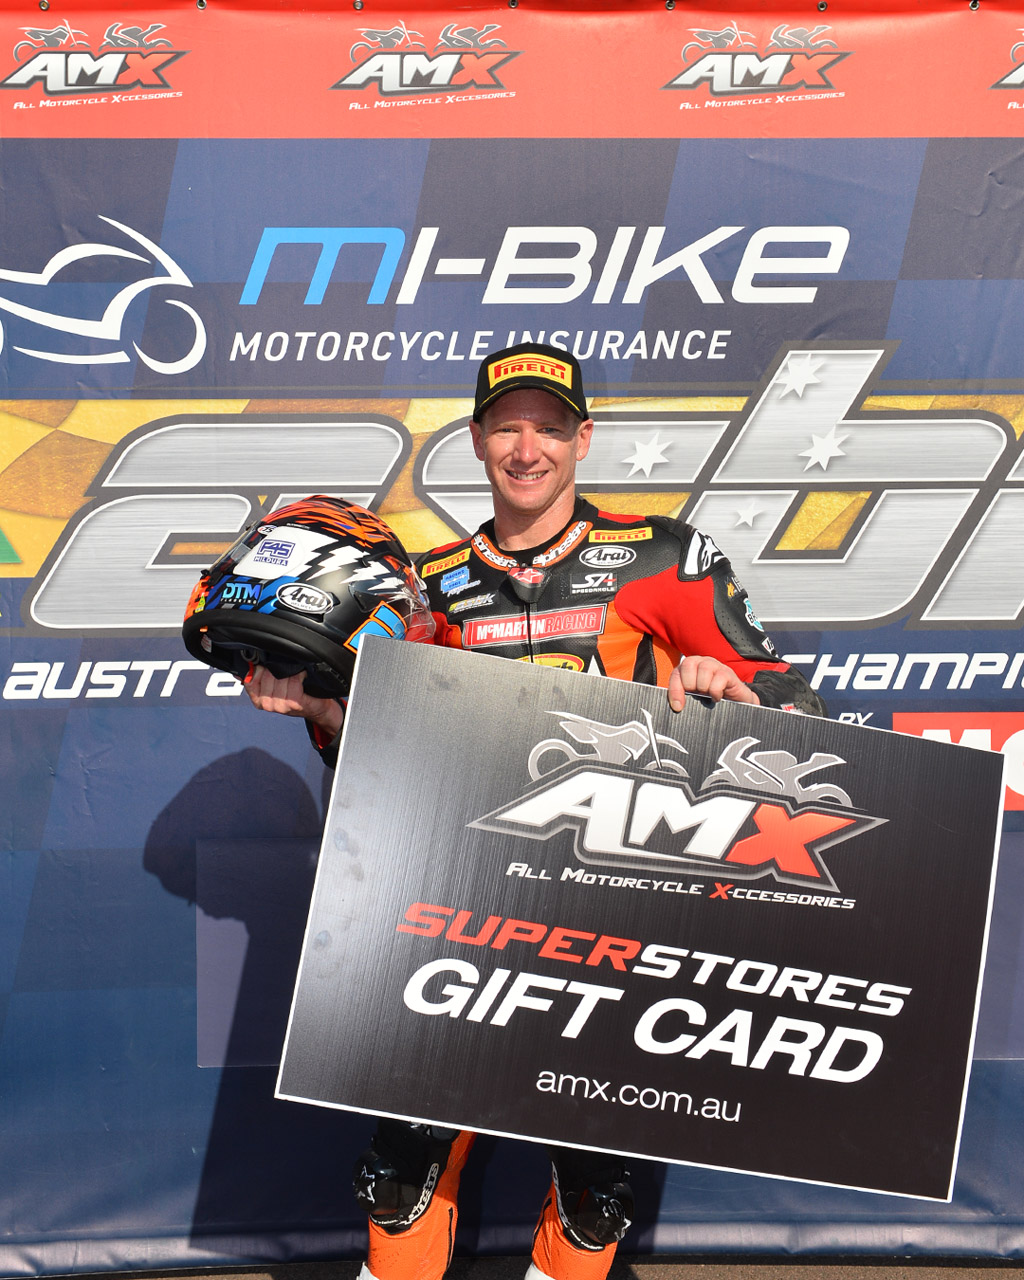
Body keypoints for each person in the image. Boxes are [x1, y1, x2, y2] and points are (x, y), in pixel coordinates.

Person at [245, 342, 826, 1280]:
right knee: (400, 1174)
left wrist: (737, 693)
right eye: (507, 427)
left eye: (549, 428)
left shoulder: (665, 556)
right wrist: (321, 711)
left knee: (595, 1192)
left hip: (621, 914)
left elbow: (797, 708)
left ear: (582, 439)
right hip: (457, 909)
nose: (528, 449)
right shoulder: (420, 585)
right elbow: (383, 759)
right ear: (476, 440)